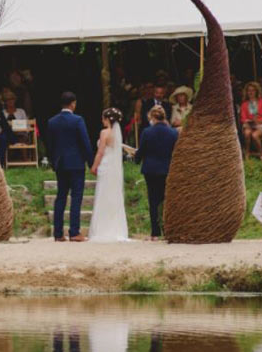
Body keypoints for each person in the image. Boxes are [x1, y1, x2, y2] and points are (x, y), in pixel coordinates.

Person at [46, 91, 94, 242]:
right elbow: (85, 143)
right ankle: (74, 232)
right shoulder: (78, 120)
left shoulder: (52, 122)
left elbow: (50, 145)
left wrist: (54, 162)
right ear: (73, 103)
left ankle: (58, 233)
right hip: (76, 163)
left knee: (61, 196)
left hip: (61, 163)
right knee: (76, 197)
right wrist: (91, 162)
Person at [133, 105, 178, 239]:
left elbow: (142, 151)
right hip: (167, 169)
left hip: (151, 170)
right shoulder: (173, 133)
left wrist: (136, 158)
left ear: (152, 117)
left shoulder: (147, 132)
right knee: (166, 200)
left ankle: (155, 232)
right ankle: (168, 229)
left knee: (153, 200)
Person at [88, 107, 131, 243]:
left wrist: (94, 166)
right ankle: (116, 228)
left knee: (103, 195)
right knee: (114, 197)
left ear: (106, 119)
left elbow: (100, 152)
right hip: (114, 170)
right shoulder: (117, 134)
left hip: (106, 166)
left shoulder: (104, 132)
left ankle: (103, 229)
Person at [239, 81, 262, 157]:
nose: (251, 92)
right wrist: (247, 121)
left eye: (253, 90)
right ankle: (247, 154)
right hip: (250, 125)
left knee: (255, 135)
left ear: (256, 91)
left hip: (261, 125)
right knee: (247, 133)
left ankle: (261, 155)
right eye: (249, 90)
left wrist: (258, 121)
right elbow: (242, 118)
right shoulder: (244, 104)